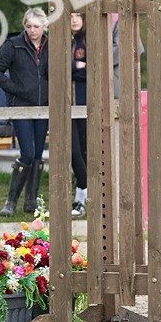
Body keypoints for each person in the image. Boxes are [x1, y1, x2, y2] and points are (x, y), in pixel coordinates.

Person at [0, 7, 49, 216]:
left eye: (36, 26)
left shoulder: (51, 45)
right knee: (27, 153)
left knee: (38, 154)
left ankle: (31, 201)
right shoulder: (13, 45)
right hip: (21, 105)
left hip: (43, 106)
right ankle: (11, 201)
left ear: (44, 26)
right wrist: (15, 89)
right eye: (28, 26)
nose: (32, 30)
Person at [71, 12, 88, 218]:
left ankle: (80, 200)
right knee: (73, 152)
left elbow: (90, 70)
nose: (74, 20)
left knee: (84, 152)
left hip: (85, 104)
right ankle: (86, 193)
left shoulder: (88, 41)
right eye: (71, 16)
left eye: (78, 16)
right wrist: (75, 65)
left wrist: (75, 68)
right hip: (65, 105)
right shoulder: (64, 40)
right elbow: (56, 69)